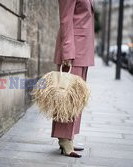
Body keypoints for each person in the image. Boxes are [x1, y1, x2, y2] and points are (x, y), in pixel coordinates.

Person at [52, 0, 95, 158]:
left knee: (76, 98)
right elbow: (65, 19)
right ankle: (64, 140)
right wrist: (68, 51)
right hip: (73, 51)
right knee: (68, 97)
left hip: (83, 50)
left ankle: (68, 136)